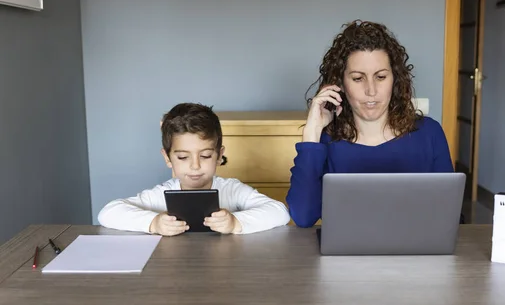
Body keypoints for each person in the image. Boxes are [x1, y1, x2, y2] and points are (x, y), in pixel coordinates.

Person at [286, 20, 454, 228]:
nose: (371, 91)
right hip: (344, 256)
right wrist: (312, 134)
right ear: (340, 84)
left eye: (381, 77)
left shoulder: (429, 133)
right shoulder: (325, 141)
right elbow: (303, 217)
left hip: (417, 255)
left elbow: (450, 215)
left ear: (395, 79)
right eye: (358, 78)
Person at [98, 102, 291, 236]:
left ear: (219, 155)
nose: (195, 165)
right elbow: (108, 212)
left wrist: (235, 223)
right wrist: (154, 223)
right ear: (167, 158)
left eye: (205, 155)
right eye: (183, 157)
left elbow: (279, 211)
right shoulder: (161, 194)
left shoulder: (232, 189)